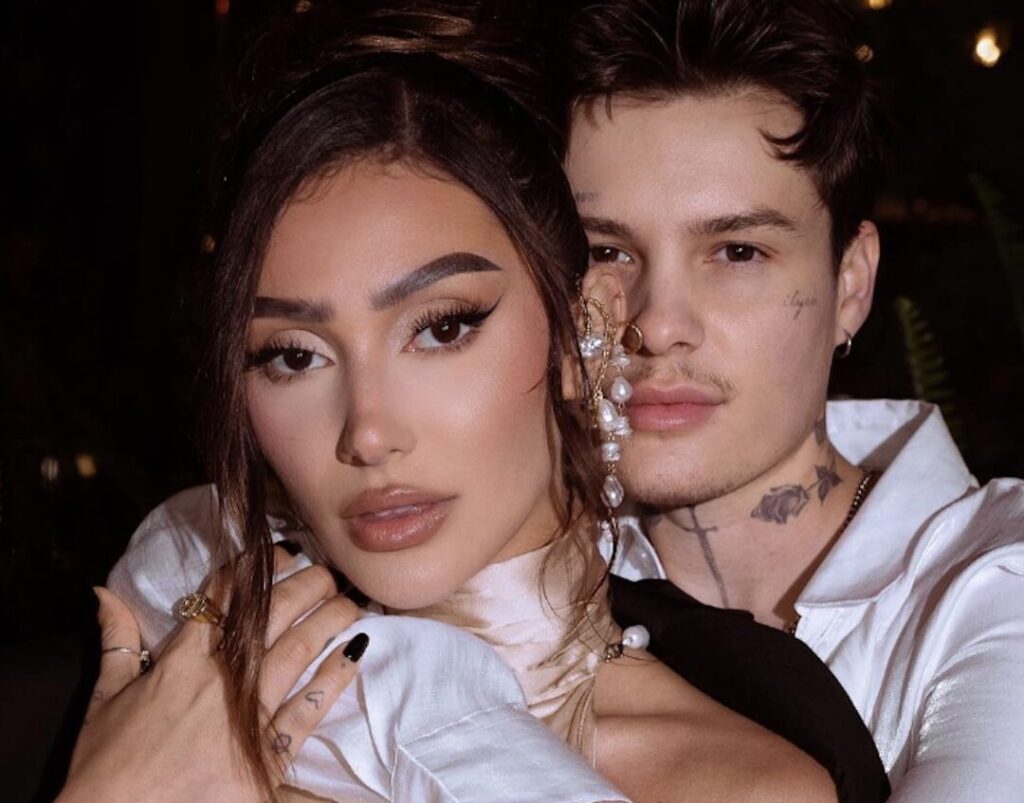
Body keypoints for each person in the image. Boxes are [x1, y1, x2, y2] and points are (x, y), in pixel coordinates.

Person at [55, 6, 845, 802]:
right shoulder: (173, 631)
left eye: (441, 328)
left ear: (584, 328)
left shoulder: (745, 782)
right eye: (294, 355)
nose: (369, 433)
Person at [562, 0, 1024, 799]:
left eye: (738, 251)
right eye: (605, 250)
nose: (658, 325)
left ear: (852, 283)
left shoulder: (993, 585)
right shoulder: (516, 565)